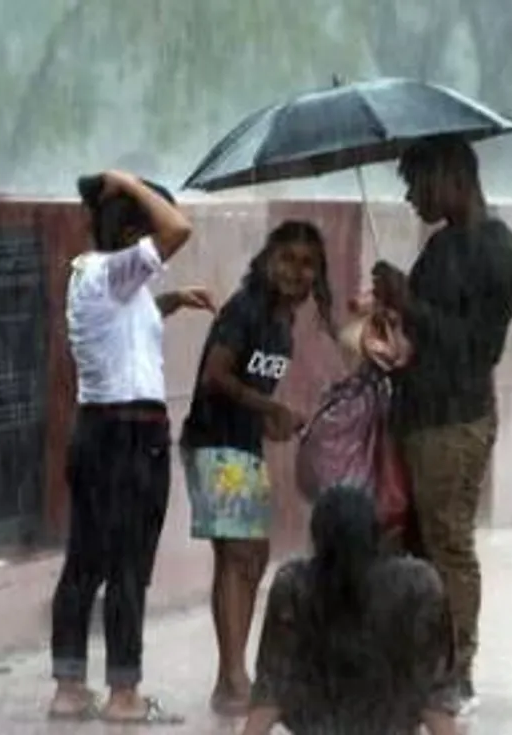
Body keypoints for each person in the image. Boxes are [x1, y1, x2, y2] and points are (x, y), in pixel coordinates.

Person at [369, 133, 512, 713]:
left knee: (447, 543)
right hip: (420, 411)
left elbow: (476, 347)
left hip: (454, 420)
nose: (412, 197)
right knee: (413, 542)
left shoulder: (498, 254)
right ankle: (418, 664)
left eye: (418, 184)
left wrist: (409, 303)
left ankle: (457, 669)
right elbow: (427, 331)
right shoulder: (442, 248)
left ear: (453, 177)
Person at [48, 169, 215, 726]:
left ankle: (69, 687)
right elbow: (180, 228)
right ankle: (124, 695)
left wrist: (170, 301)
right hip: (130, 437)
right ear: (131, 234)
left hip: (98, 432)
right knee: (127, 569)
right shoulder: (111, 271)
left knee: (85, 562)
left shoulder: (96, 278)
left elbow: (124, 323)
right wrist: (125, 181)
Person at [178, 219, 334, 716]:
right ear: (267, 260)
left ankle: (232, 674)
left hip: (243, 446)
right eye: (286, 259)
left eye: (307, 264)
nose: (295, 271)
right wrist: (269, 410)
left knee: (251, 556)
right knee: (239, 555)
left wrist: (276, 422)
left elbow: (253, 395)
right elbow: (215, 376)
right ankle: (231, 678)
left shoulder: (282, 328)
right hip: (216, 444)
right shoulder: (244, 311)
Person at [240, 486, 459, 735]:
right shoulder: (417, 587)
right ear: (377, 535)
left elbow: (271, 692)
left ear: (316, 538)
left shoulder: (293, 588)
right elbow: (435, 699)